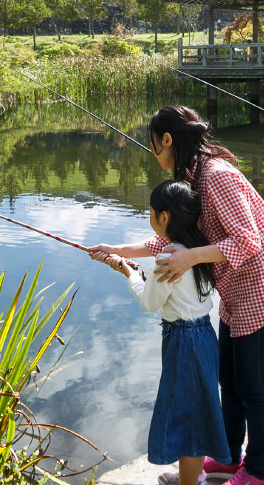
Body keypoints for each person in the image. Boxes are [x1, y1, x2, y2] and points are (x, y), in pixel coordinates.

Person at [87, 105, 264, 485]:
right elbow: (170, 239)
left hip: (263, 292)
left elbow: (247, 240)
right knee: (228, 379)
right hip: (236, 296)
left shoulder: (217, 175)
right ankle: (227, 457)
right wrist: (121, 250)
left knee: (252, 389)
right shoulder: (192, 175)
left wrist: (190, 256)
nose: (153, 152)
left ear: (168, 140)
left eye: (153, 144)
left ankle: (259, 472)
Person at [92, 180, 229, 485]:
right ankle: (191, 475)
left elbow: (149, 301)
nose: (150, 217)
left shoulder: (168, 257)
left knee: (188, 413)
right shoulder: (196, 248)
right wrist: (134, 268)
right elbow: (165, 291)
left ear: (164, 217)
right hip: (205, 335)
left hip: (183, 342)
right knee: (193, 406)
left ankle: (192, 482)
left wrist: (127, 272)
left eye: (151, 212)